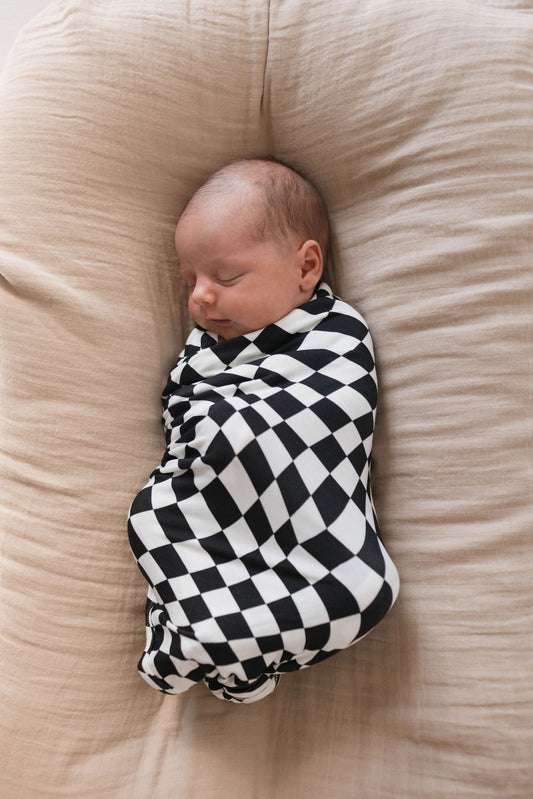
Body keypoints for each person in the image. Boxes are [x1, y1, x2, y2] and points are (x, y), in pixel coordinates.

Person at [127, 158, 399, 704]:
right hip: (223, 493)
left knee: (361, 588)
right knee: (155, 516)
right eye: (190, 281)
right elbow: (183, 414)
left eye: (226, 278)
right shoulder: (205, 352)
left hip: (302, 506)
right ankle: (213, 633)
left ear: (306, 268)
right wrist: (210, 427)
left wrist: (238, 428)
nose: (201, 296)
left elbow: (334, 408)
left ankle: (220, 638)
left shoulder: (334, 334)